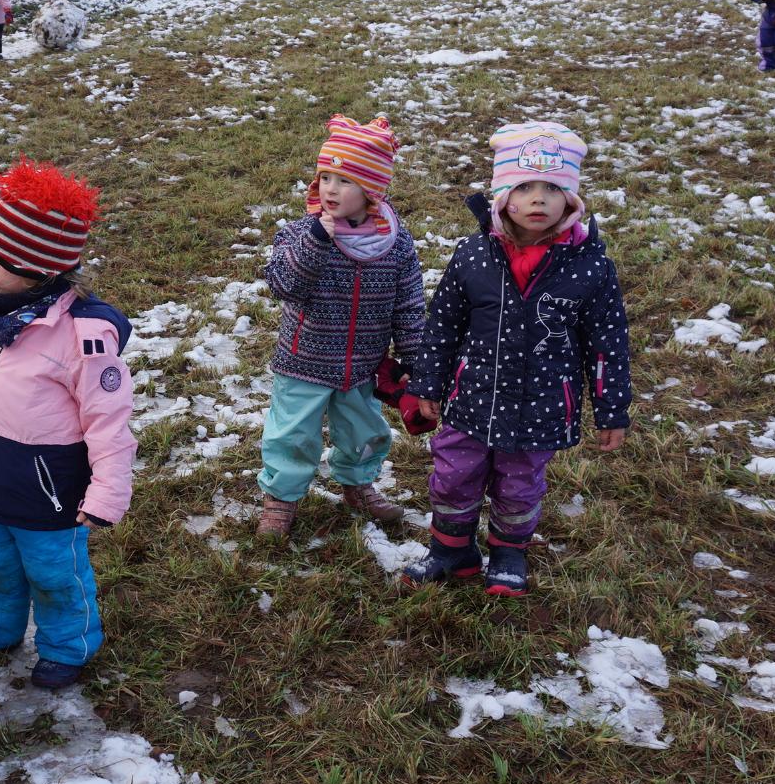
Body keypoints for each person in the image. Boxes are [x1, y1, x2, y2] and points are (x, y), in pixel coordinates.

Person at [0, 158, 135, 690]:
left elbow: (109, 422)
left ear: (42, 269)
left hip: (48, 488)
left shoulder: (83, 336)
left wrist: (107, 494)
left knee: (54, 571)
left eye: (4, 259)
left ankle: (67, 645)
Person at [398, 123, 633, 597]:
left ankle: (508, 553)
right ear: (503, 196)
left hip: (540, 405)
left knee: (520, 485)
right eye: (524, 187)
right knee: (453, 477)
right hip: (472, 399)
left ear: (572, 200)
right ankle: (450, 549)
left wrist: (612, 410)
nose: (539, 199)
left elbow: (607, 343)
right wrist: (426, 385)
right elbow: (443, 325)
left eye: (553, 188)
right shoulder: (472, 256)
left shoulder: (589, 266)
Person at [257, 114, 427, 538]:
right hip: (305, 358)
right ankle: (281, 496)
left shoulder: (394, 243)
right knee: (292, 434)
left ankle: (358, 482)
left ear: (371, 191)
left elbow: (408, 302)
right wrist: (316, 241)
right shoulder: (301, 233)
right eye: (326, 177)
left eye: (344, 181)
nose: (331, 189)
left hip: (364, 364)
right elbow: (283, 285)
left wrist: (414, 356)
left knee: (363, 431)